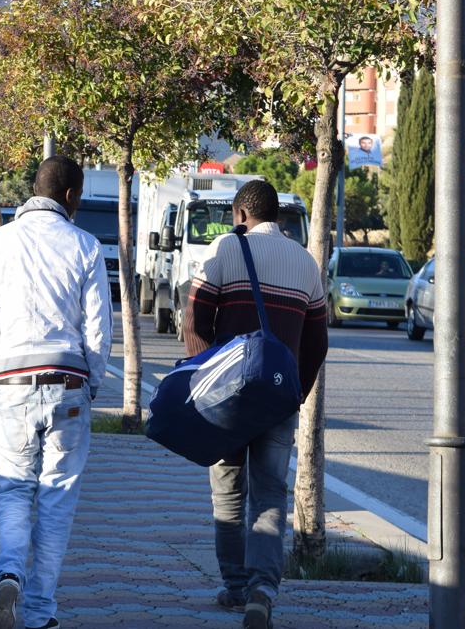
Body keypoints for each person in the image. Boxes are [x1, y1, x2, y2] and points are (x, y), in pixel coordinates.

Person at [183, 180, 329, 629]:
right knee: (269, 493)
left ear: (242, 213)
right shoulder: (305, 262)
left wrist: (202, 379)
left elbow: (194, 320)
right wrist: (295, 394)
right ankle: (262, 591)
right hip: (278, 398)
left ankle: (234, 585)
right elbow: (318, 341)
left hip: (227, 399)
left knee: (227, 492)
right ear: (277, 216)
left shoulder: (226, 249)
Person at [0, 156, 113, 629]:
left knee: (13, 490)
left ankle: (9, 573)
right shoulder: (87, 246)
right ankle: (39, 612)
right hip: (67, 384)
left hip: (10, 382)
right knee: (57, 499)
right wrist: (91, 383)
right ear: (71, 196)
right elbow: (98, 330)